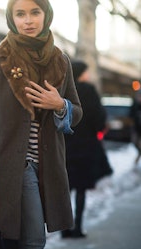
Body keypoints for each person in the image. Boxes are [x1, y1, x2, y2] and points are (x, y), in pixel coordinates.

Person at [0, 0, 83, 248]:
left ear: (46, 15)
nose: (28, 20)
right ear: (12, 18)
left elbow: (78, 111)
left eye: (34, 12)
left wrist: (60, 105)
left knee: (15, 241)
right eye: (20, 14)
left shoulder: (61, 61)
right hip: (12, 165)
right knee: (34, 240)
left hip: (49, 166)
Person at [62, 61, 112, 238]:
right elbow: (99, 118)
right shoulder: (89, 91)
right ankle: (78, 227)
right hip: (85, 146)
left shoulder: (63, 89)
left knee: (65, 189)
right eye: (86, 72)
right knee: (81, 189)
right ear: (81, 73)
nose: (88, 75)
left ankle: (64, 229)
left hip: (64, 146)